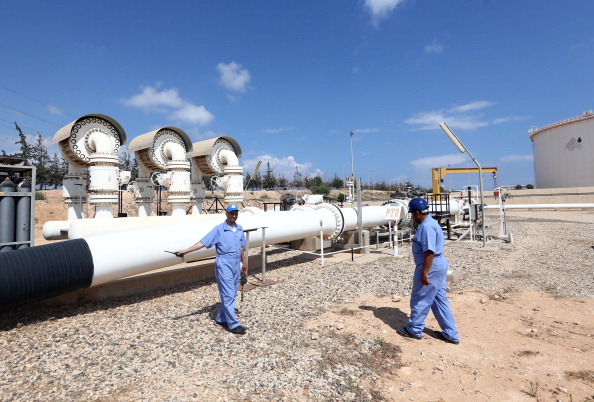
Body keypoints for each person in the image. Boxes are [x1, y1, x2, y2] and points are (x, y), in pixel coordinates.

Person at [174, 204, 248, 335]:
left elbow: (242, 247)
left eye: (236, 213)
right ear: (226, 214)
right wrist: (186, 251)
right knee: (228, 294)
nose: (234, 216)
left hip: (236, 264)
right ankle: (233, 325)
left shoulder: (240, 228)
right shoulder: (219, 230)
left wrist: (244, 263)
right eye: (231, 213)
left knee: (233, 292)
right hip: (224, 264)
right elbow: (203, 242)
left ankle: (221, 317)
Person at [397, 198, 460, 344]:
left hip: (430, 265)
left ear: (418, 213)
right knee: (439, 300)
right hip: (438, 264)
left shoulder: (426, 227)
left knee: (420, 298)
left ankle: (414, 329)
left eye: (413, 213)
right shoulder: (432, 223)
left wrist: (425, 272)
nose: (412, 216)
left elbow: (429, 252)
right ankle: (451, 334)